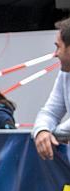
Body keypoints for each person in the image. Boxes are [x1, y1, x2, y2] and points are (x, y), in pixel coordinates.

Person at [33, 17, 70, 160]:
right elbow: (50, 112)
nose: (55, 54)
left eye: (58, 47)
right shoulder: (65, 74)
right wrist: (42, 131)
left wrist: (52, 134)